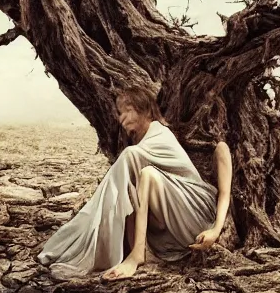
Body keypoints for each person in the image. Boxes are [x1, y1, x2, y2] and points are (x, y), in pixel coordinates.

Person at [36, 86, 233, 281]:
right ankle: (122, 247)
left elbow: (224, 194)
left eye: (127, 111)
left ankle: (136, 255)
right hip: (172, 225)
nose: (122, 119)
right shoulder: (150, 142)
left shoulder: (208, 145)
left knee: (141, 169)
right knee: (129, 188)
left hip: (198, 216)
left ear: (146, 110)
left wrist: (215, 231)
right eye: (120, 113)